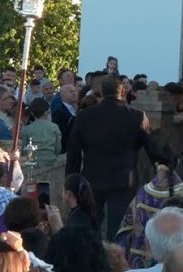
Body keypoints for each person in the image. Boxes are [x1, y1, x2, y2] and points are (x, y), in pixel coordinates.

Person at [66, 75, 158, 241]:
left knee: (89, 226)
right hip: (124, 178)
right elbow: (152, 147)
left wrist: (71, 180)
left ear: (101, 92)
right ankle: (117, 260)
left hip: (93, 177)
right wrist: (163, 166)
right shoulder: (136, 116)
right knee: (120, 228)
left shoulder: (85, 116)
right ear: (122, 91)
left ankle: (90, 260)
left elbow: (73, 151)